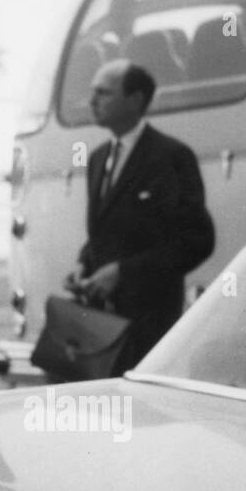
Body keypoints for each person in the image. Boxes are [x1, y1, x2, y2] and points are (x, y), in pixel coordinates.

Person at [66, 60, 215, 367]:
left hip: (151, 325)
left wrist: (124, 272)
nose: (92, 101)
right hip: (104, 325)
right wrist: (85, 264)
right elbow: (106, 230)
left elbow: (197, 241)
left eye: (103, 93)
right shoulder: (97, 159)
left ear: (135, 100)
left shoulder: (171, 157)